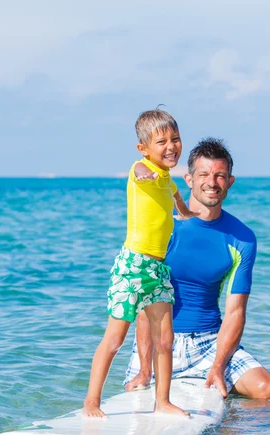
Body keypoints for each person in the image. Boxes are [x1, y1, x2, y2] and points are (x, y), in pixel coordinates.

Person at [124, 138, 270, 400]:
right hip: (159, 342)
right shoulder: (164, 225)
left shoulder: (242, 238)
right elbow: (144, 302)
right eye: (204, 175)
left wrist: (219, 366)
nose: (212, 182)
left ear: (230, 182)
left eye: (220, 176)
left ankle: (230, 434)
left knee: (269, 392)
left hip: (210, 343)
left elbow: (235, 311)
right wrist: (144, 367)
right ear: (188, 179)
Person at [83, 109, 196, 418]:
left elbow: (181, 207)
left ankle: (162, 401)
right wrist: (144, 172)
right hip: (133, 267)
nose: (171, 146)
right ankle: (91, 402)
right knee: (115, 338)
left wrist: (189, 216)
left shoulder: (169, 181)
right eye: (162, 141)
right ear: (144, 148)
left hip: (158, 270)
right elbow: (138, 172)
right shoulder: (140, 168)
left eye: (175, 139)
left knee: (165, 340)